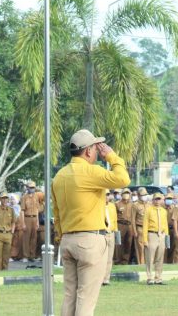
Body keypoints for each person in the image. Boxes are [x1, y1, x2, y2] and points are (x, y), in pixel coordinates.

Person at [52, 129, 130, 316]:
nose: (97, 152)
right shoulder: (91, 171)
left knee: (70, 295)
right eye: (95, 148)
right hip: (89, 240)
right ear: (87, 151)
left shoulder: (59, 176)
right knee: (86, 299)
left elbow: (57, 212)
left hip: (67, 240)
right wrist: (111, 156)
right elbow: (123, 179)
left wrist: (61, 236)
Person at [141, 192, 168, 285]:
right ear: (153, 200)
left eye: (159, 199)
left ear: (161, 200)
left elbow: (165, 225)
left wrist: (166, 237)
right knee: (150, 257)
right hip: (151, 234)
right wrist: (144, 239)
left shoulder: (164, 211)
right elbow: (145, 225)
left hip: (162, 234)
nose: (157, 201)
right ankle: (149, 277)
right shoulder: (148, 210)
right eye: (156, 199)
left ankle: (158, 277)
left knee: (160, 257)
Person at [20, 181, 42, 262]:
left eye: (33, 187)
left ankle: (32, 256)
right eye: (30, 187)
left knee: (34, 238)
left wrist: (37, 222)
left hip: (34, 218)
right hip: (27, 218)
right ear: (27, 188)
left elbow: (37, 210)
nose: (32, 189)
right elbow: (22, 210)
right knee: (26, 238)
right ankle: (25, 256)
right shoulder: (24, 197)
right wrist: (23, 223)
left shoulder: (36, 197)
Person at [114, 188, 136, 265]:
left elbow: (134, 216)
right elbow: (114, 216)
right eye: (124, 193)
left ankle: (125, 261)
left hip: (129, 225)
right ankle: (117, 260)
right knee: (119, 243)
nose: (126, 195)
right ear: (121, 194)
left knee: (128, 243)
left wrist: (133, 228)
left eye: (127, 193)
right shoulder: (117, 204)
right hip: (120, 224)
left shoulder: (132, 204)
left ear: (130, 195)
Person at [102, 190, 117, 286]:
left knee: (109, 258)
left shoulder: (112, 206)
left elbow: (115, 220)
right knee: (101, 258)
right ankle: (99, 278)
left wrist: (116, 231)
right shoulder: (98, 206)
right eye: (105, 195)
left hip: (111, 233)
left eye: (108, 194)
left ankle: (106, 279)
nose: (107, 196)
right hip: (102, 233)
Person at [133, 187, 148, 264]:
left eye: (145, 194)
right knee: (140, 248)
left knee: (148, 247)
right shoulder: (135, 205)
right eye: (142, 195)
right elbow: (133, 219)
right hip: (140, 228)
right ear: (138, 195)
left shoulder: (149, 204)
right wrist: (135, 231)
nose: (144, 196)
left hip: (148, 229)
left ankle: (148, 263)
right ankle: (141, 264)